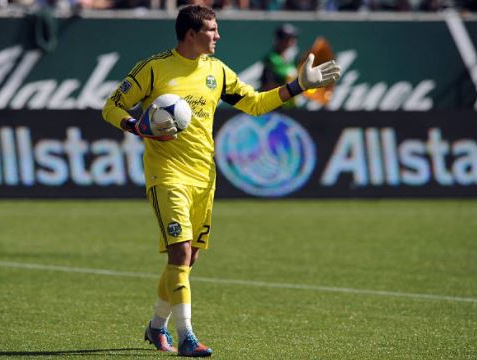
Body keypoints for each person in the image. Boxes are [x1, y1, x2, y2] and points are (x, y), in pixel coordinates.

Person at [102, 4, 340, 357]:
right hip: (166, 174)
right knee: (180, 253)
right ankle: (188, 338)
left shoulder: (218, 71)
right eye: (212, 30)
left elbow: (256, 104)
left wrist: (298, 86)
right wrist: (135, 126)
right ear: (191, 34)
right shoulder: (153, 69)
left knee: (188, 260)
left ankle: (156, 326)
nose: (218, 36)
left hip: (205, 177)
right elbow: (111, 107)